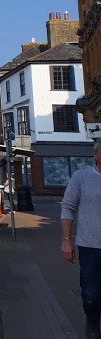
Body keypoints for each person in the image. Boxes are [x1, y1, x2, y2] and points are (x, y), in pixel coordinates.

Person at [62, 141, 101, 339]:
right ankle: (93, 322)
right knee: (91, 295)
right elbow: (68, 207)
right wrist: (66, 240)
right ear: (95, 154)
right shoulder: (82, 177)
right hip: (90, 247)